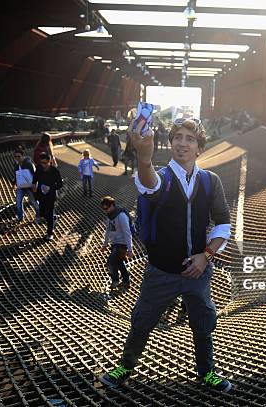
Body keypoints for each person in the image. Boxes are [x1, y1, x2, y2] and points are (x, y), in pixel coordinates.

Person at [100, 118, 233, 392]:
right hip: (160, 272)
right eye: (178, 137)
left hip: (197, 271)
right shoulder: (162, 177)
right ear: (170, 142)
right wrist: (144, 157)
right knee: (141, 322)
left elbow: (222, 224)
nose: (183, 143)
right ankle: (125, 366)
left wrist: (205, 256)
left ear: (199, 148)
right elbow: (150, 184)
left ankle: (207, 372)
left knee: (203, 324)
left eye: (190, 139)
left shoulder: (210, 181)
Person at [101, 196, 133, 290]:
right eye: (103, 209)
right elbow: (108, 230)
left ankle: (115, 280)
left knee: (110, 262)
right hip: (115, 243)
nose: (105, 211)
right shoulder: (109, 216)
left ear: (112, 206)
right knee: (119, 263)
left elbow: (127, 233)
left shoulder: (121, 216)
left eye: (106, 208)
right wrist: (105, 244)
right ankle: (126, 282)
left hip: (122, 243)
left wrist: (130, 249)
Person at [32, 152, 63, 241]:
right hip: (40, 194)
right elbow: (35, 177)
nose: (43, 165)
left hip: (50, 195)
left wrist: (51, 187)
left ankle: (50, 233)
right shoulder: (39, 168)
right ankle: (54, 218)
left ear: (49, 162)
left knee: (49, 213)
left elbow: (60, 184)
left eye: (45, 163)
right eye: (41, 163)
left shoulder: (54, 171)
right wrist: (33, 184)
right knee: (42, 213)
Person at [12, 147, 39, 223]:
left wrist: (35, 185)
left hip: (30, 186)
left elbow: (35, 175)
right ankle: (20, 217)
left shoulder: (28, 164)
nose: (17, 158)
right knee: (18, 200)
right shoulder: (16, 164)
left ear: (22, 156)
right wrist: (14, 183)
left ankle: (38, 216)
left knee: (34, 202)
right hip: (21, 186)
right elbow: (16, 174)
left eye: (19, 156)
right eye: (15, 156)